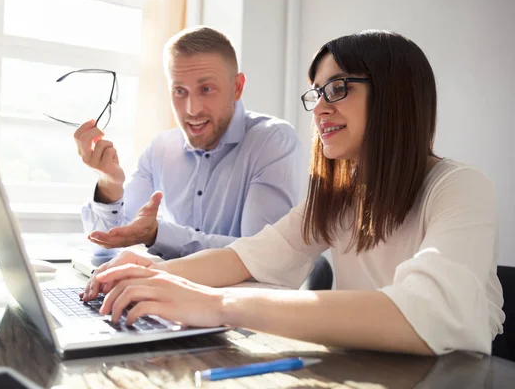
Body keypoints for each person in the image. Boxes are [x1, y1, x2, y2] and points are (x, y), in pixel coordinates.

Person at [81, 30, 505, 356]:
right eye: (317, 93)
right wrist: (153, 274)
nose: (320, 108)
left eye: (338, 89)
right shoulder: (339, 198)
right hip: (365, 370)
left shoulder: (459, 188)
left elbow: (424, 316)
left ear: (395, 96)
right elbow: (246, 256)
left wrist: (218, 304)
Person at [74, 26, 302, 260]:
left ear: (237, 87)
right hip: (170, 292)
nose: (192, 109)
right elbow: (103, 246)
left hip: (242, 296)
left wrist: (157, 234)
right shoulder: (160, 149)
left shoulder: (272, 141)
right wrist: (109, 184)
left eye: (206, 89)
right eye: (180, 91)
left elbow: (262, 257)